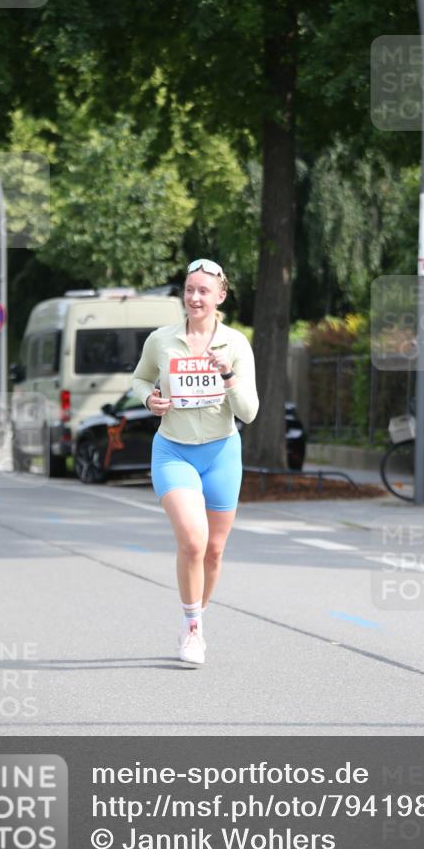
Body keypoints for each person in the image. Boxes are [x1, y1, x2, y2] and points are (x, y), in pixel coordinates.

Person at [132, 259, 259, 666]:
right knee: (192, 539)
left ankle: (197, 617)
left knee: (215, 552)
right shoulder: (161, 340)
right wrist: (149, 398)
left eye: (204, 291)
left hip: (222, 452)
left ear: (220, 296)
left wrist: (228, 377)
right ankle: (192, 630)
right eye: (189, 290)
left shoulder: (236, 344)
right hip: (174, 450)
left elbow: (250, 412)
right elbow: (139, 379)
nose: (194, 297)